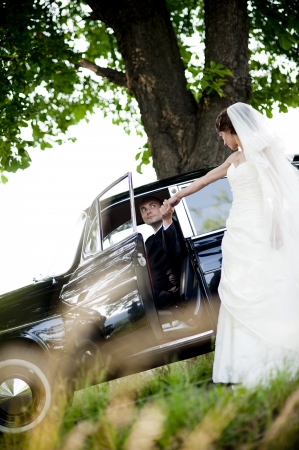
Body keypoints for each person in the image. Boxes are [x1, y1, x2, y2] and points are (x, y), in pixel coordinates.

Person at [167, 102, 299, 387]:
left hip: (260, 229)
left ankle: (280, 356)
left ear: (234, 130)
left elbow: (276, 193)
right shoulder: (234, 159)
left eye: (223, 135)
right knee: (239, 293)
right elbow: (204, 181)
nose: (223, 141)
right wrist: (179, 196)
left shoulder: (264, 155)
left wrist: (276, 227)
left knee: (267, 286)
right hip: (237, 233)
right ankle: (247, 363)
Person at [139, 196, 184, 309]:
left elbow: (175, 254)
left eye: (152, 206)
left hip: (171, 294)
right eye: (143, 209)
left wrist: (167, 220)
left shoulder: (177, 229)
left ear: (163, 208)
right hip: (153, 293)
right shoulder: (149, 241)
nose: (148, 211)